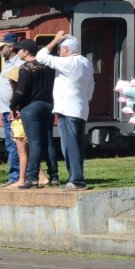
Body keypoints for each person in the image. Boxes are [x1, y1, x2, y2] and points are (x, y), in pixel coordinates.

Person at [37, 31, 94, 189]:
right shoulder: (86, 62)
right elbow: (91, 87)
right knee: (77, 145)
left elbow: (41, 57)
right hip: (81, 108)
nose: (59, 52)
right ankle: (77, 177)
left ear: (67, 49)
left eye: (60, 49)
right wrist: (84, 100)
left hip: (67, 109)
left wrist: (55, 40)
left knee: (69, 145)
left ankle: (76, 180)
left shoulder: (68, 62)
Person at [8, 39, 57, 189]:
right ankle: (54, 176)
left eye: (20, 50)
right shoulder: (48, 65)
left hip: (31, 107)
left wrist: (13, 105)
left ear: (26, 52)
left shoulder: (26, 68)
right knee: (48, 141)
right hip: (48, 105)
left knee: (34, 142)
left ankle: (33, 177)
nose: (18, 53)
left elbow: (21, 91)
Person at [0, 32, 23, 187]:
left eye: (2, 47)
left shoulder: (18, 63)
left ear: (10, 47)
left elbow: (18, 87)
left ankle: (16, 177)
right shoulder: (7, 63)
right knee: (11, 144)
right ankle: (15, 176)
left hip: (13, 111)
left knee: (14, 144)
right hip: (6, 110)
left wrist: (15, 108)